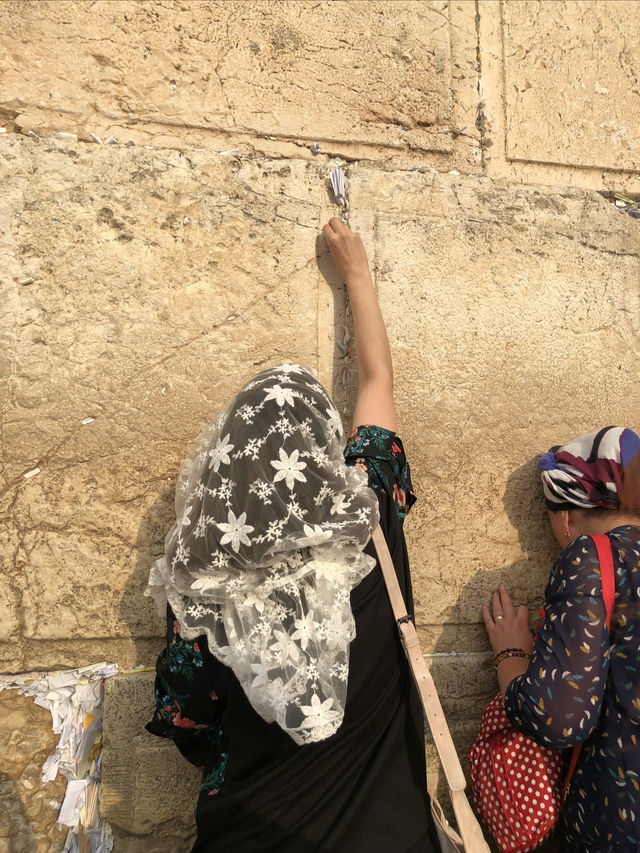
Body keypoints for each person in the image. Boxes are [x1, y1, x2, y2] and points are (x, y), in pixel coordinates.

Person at [145, 217, 438, 852]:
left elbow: (187, 718)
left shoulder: (201, 593)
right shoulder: (371, 526)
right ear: (323, 451)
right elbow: (377, 384)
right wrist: (358, 275)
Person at [482, 426, 640, 851]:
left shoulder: (592, 554)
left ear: (567, 516)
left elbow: (561, 715)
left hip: (620, 821)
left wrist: (511, 657)